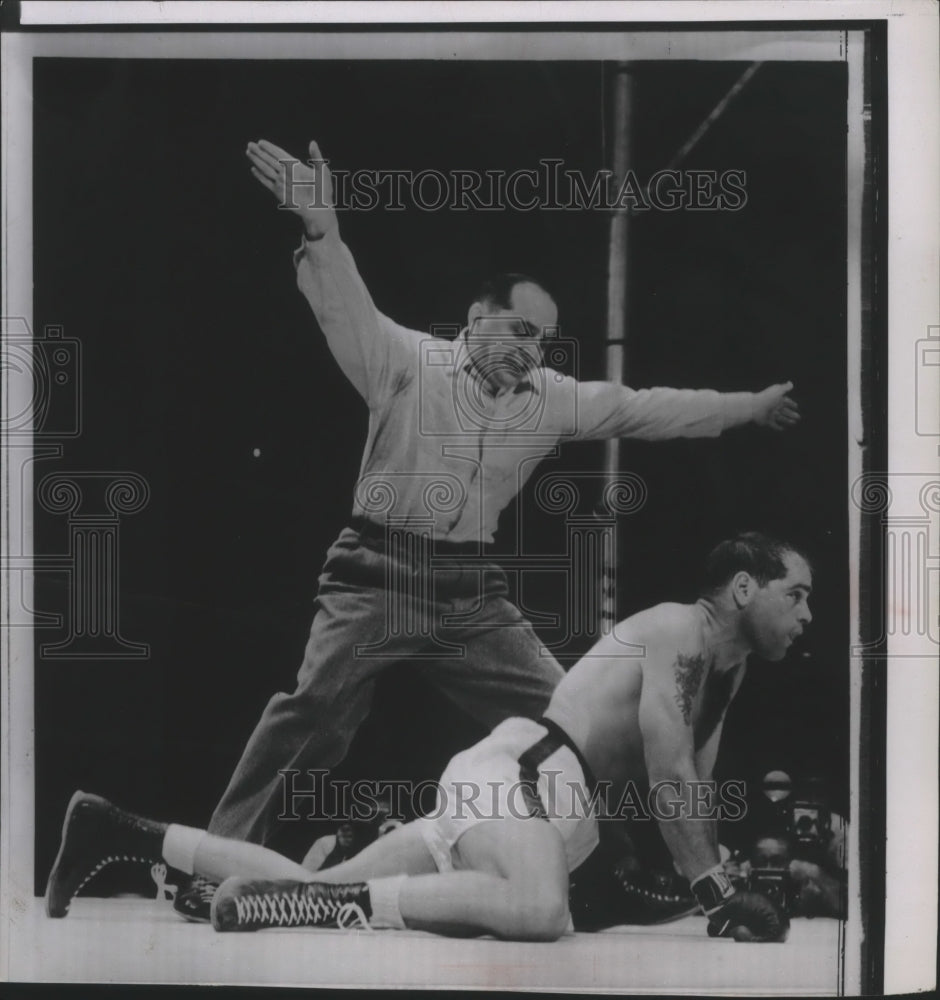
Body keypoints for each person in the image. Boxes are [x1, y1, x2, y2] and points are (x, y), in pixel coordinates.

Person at [182, 136, 800, 914]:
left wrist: (747, 408)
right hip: (377, 574)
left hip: (470, 592)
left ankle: (626, 876)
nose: (531, 350)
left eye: (542, 338)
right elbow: (344, 305)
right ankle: (206, 867)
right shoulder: (405, 362)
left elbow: (650, 407)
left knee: (571, 714)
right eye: (518, 330)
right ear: (477, 320)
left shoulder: (551, 399)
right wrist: (320, 230)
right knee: (310, 717)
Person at [46, 532, 809, 942]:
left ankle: (124, 831)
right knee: (543, 912)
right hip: (524, 786)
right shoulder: (680, 630)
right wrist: (714, 886)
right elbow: (669, 771)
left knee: (306, 884)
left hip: (521, 808)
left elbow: (693, 796)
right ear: (744, 586)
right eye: (797, 594)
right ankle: (332, 910)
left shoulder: (727, 676)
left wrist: (722, 884)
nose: (808, 616)